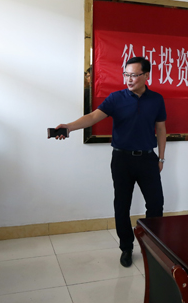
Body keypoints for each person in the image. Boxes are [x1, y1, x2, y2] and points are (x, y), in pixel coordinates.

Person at [53, 56, 166, 268]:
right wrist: (69, 127)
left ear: (146, 76)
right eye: (126, 74)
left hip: (147, 159)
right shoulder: (116, 98)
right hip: (122, 159)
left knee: (156, 204)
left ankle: (151, 246)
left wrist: (161, 158)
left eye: (134, 75)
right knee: (122, 205)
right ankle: (126, 247)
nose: (129, 79)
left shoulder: (156, 99)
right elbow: (93, 117)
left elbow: (161, 129)